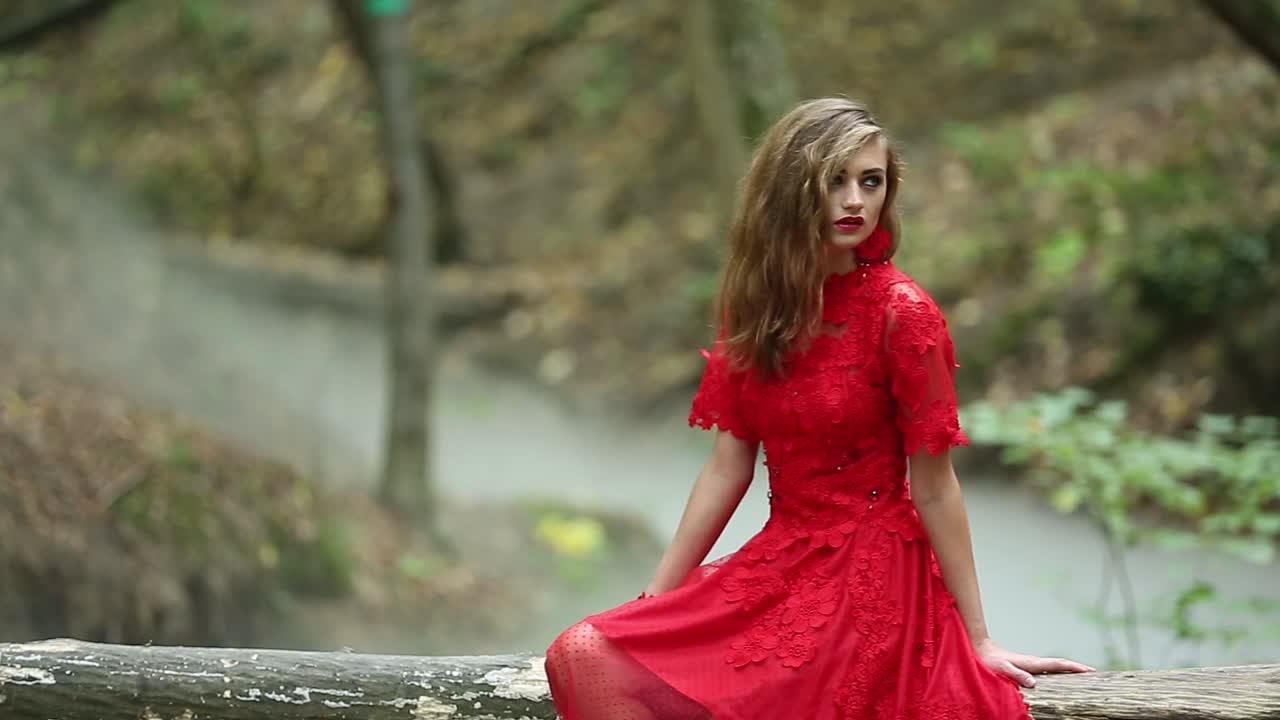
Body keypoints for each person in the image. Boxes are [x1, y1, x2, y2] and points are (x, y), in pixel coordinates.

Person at [543, 97, 1093, 720]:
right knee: (582, 653)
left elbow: (936, 487)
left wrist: (979, 636)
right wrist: (656, 597)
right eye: (835, 180)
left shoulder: (902, 314)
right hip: (783, 559)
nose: (855, 200)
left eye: (871, 181)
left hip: (874, 575)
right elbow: (728, 467)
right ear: (791, 188)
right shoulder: (756, 309)